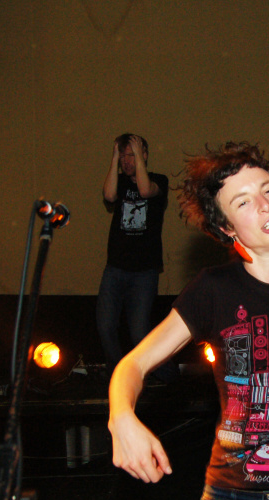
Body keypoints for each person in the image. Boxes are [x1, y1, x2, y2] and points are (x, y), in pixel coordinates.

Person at [108, 141, 269, 500]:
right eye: (243, 202)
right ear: (227, 228)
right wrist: (121, 418)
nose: (264, 205)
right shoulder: (213, 289)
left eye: (268, 190)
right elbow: (133, 365)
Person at [96, 133, 175, 383]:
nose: (126, 161)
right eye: (123, 157)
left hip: (144, 271)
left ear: (144, 156)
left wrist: (138, 157)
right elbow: (109, 196)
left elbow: (144, 190)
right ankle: (118, 375)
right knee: (105, 326)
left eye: (132, 156)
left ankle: (168, 375)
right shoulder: (119, 181)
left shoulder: (159, 180)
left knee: (139, 332)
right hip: (115, 268)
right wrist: (114, 158)